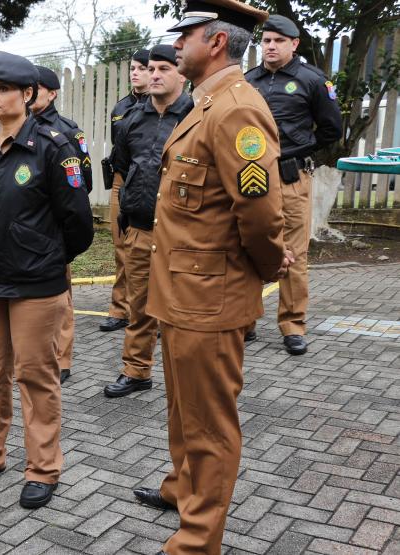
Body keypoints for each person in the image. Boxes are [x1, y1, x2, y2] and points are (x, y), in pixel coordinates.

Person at [132, 2, 292, 553]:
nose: (177, 44)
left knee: (209, 425)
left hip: (209, 295)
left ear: (217, 41)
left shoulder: (237, 110)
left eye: (188, 34)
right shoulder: (208, 103)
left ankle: (198, 541)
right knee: (183, 410)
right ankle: (182, 490)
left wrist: (267, 268)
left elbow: (261, 211)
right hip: (181, 292)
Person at [0, 52, 94, 509]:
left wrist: (48, 259)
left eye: (2, 90)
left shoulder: (54, 146)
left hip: (36, 286)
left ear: (27, 95)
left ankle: (43, 468)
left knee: (36, 378)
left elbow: (78, 224)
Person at [245, 14, 343, 356]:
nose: (270, 47)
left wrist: (293, 152)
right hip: (250, 178)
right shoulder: (248, 80)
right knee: (247, 247)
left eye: (278, 41)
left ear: (294, 44)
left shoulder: (312, 80)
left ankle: (292, 325)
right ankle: (246, 321)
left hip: (291, 176)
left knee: (294, 253)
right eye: (266, 41)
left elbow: (332, 130)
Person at [103, 45, 193, 399]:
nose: (154, 74)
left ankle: (186, 376)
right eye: (150, 68)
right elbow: (124, 169)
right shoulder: (130, 122)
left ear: (181, 74)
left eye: (163, 69)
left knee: (182, 309)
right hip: (140, 228)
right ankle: (137, 370)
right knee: (139, 307)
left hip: (181, 231)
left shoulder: (196, 118)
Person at [30, 65, 93, 385]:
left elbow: (83, 186)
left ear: (52, 93)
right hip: (24, 233)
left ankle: (61, 359)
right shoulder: (16, 126)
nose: (30, 92)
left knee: (60, 301)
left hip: (52, 230)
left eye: (37, 88)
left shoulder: (68, 131)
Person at [100, 49, 150, 333]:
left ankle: (149, 311)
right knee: (121, 246)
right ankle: (119, 309)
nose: (136, 72)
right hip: (122, 180)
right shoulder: (119, 108)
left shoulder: (163, 106)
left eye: (142, 68)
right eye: (133, 68)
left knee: (151, 249)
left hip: (150, 181)